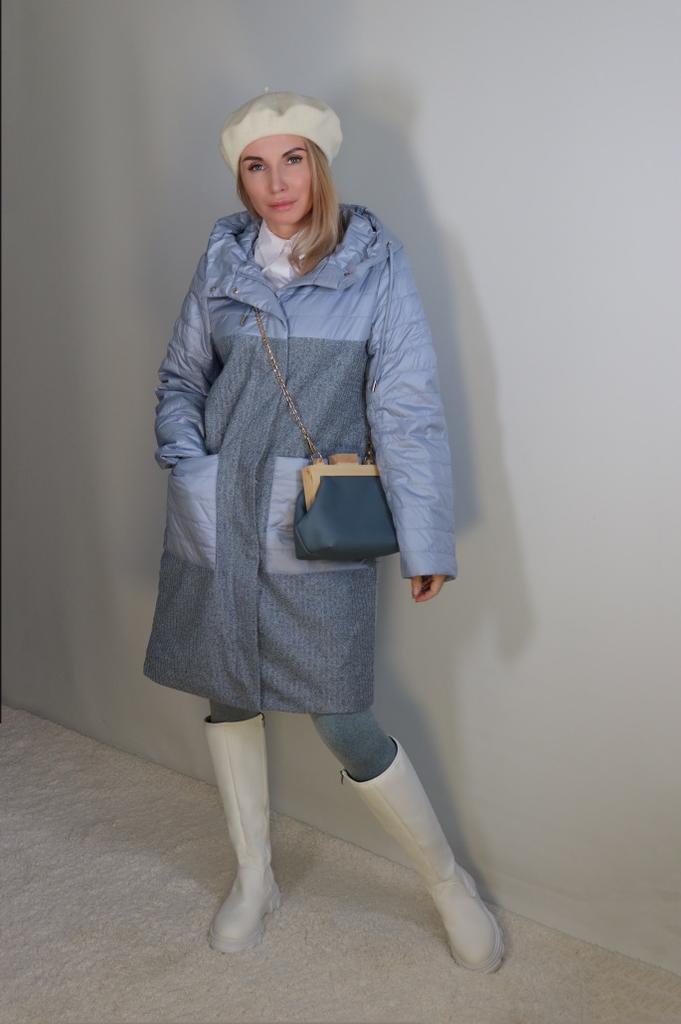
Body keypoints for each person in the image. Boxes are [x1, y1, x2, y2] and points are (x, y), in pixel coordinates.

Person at [143, 89, 504, 973]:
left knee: (341, 712)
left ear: (320, 164)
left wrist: (424, 539)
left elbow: (405, 406)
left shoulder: (375, 265)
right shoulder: (221, 261)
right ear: (240, 177)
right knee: (228, 691)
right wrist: (189, 464)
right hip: (218, 512)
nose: (276, 183)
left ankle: (446, 882)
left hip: (313, 521)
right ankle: (255, 877)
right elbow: (182, 379)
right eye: (255, 166)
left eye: (292, 160)